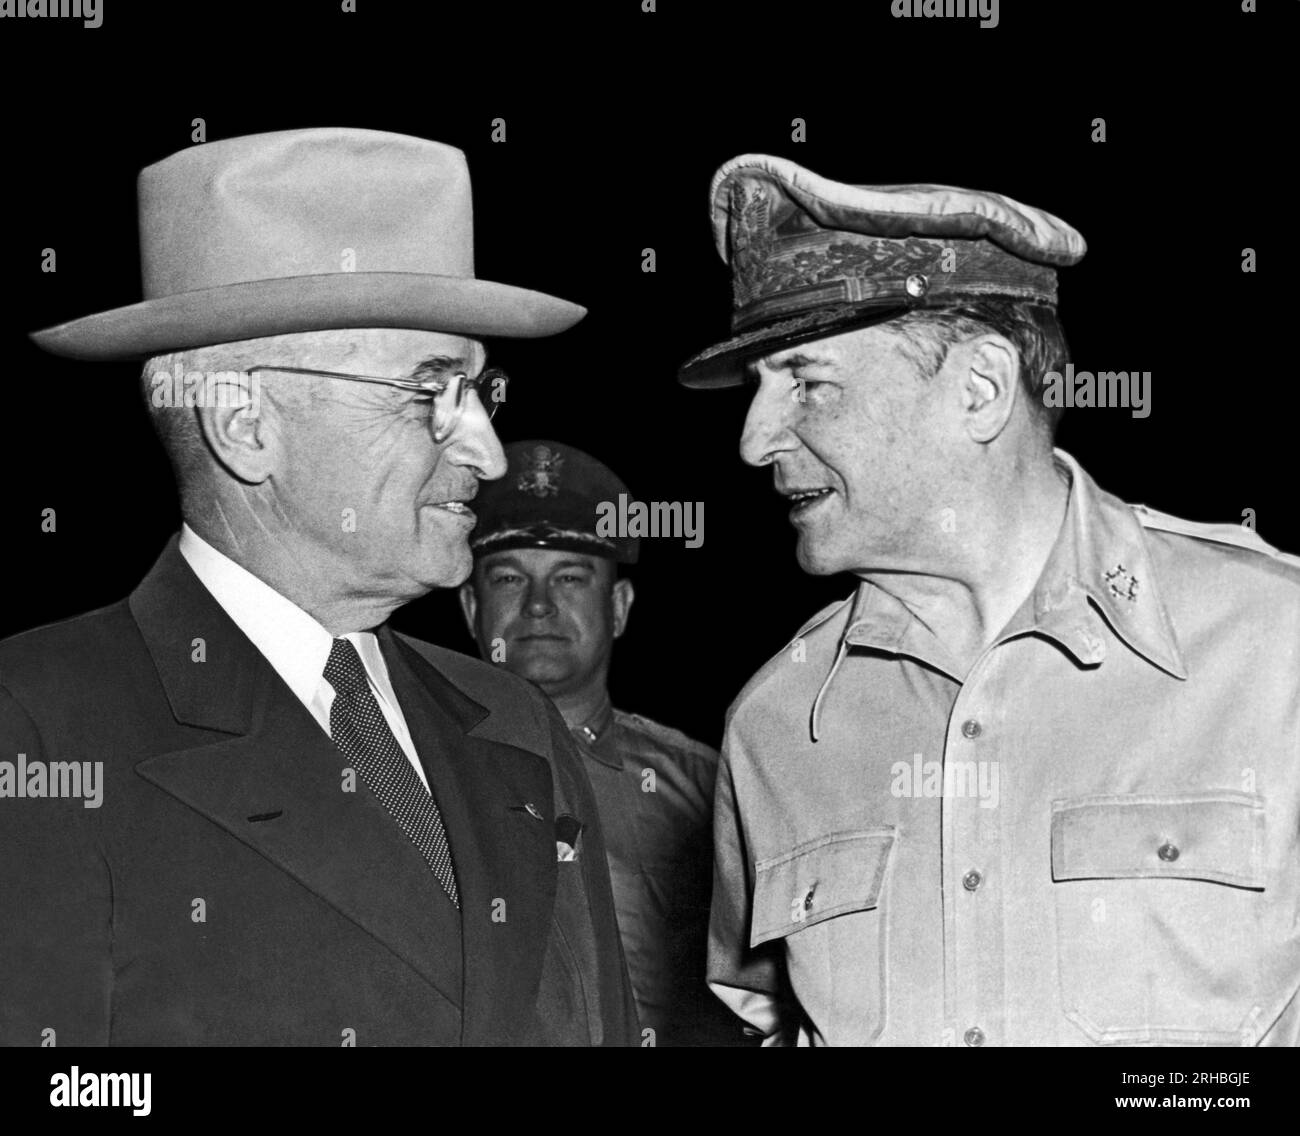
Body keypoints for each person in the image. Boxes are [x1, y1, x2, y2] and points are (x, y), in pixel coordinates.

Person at [0, 128, 636, 1047]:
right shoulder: (37, 723)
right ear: (242, 423)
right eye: (429, 393)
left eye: (480, 394)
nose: (487, 454)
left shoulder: (512, 723)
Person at [683, 153, 1300, 1046]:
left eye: (807, 383)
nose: (752, 441)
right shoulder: (776, 729)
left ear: (980, 389)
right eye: (758, 391)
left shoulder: (1273, 648)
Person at [459, 439, 743, 1045]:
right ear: (469, 606)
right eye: (509, 578)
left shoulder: (706, 789)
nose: (538, 606)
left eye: (569, 578)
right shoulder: (407, 773)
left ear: (617, 607)